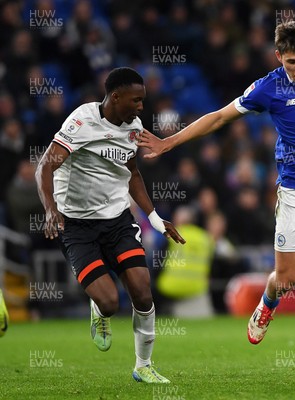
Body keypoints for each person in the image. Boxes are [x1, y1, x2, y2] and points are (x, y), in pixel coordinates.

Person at [136, 21, 295, 356]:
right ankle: (268, 302)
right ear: (278, 57)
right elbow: (219, 117)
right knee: (285, 280)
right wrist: (170, 142)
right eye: (291, 62)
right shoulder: (268, 89)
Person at [35, 67, 186, 383]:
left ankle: (143, 365)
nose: (141, 107)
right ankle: (99, 312)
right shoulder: (82, 121)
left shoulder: (133, 128)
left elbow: (132, 174)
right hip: (77, 226)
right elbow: (44, 168)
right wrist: (50, 210)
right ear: (115, 97)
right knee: (109, 302)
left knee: (143, 293)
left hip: (117, 221)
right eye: (137, 100)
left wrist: (155, 220)